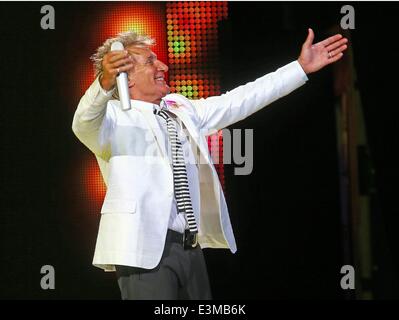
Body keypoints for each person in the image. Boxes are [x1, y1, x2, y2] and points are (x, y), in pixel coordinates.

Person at [72, 29, 348, 300]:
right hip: (141, 247)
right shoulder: (112, 118)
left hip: (189, 245)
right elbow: (82, 122)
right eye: (150, 62)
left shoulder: (179, 107)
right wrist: (104, 83)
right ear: (126, 78)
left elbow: (238, 100)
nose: (163, 66)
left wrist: (299, 68)